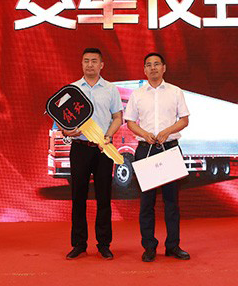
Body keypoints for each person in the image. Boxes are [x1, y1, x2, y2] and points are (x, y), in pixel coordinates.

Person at [124, 52, 191, 262]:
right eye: (148, 65)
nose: (153, 68)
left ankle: (173, 246)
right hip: (146, 149)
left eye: (156, 64)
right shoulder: (137, 95)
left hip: (169, 148)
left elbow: (184, 120)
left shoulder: (175, 91)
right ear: (144, 70)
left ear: (164, 68)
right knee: (147, 202)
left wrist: (167, 131)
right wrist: (145, 134)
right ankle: (149, 247)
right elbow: (130, 122)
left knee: (172, 202)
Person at [62, 48, 122, 260]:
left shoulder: (111, 89)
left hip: (103, 148)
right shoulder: (72, 89)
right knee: (78, 196)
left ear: (101, 65)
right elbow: (62, 120)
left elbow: (118, 117)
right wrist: (67, 131)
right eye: (86, 60)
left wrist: (108, 136)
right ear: (81, 64)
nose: (90, 64)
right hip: (80, 148)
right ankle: (79, 243)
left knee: (104, 197)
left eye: (94, 61)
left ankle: (104, 244)